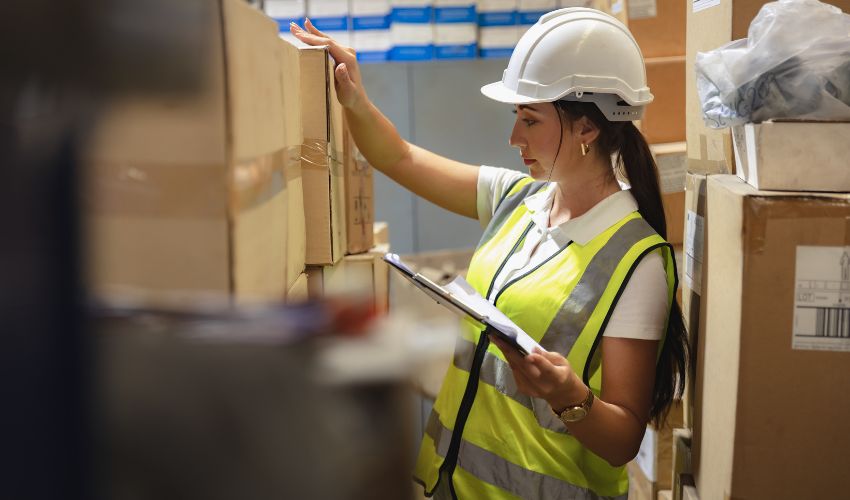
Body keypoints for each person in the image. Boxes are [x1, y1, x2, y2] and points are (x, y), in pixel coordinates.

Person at [292, 8, 688, 500]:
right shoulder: (517, 199)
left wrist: (569, 396)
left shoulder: (638, 261)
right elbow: (398, 157)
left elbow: (624, 439)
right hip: (450, 485)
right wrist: (354, 96)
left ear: (587, 129)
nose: (513, 138)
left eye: (530, 120)